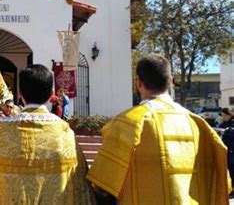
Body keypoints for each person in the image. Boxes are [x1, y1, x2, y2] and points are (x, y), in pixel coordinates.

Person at [87, 55, 230, 204]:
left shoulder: (128, 123)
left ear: (138, 82)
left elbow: (103, 185)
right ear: (170, 82)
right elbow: (221, 182)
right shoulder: (200, 125)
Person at [0, 65, 95, 204]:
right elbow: (79, 182)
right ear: (51, 94)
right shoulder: (64, 132)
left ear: (21, 94)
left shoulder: (1, 131)